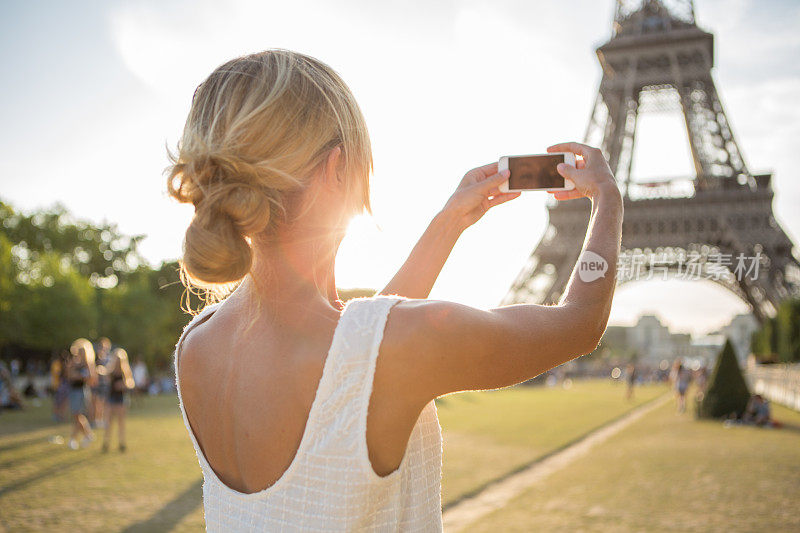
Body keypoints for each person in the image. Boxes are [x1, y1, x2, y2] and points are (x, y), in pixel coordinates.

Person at [168, 50, 622, 531]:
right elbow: (581, 322)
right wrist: (608, 199)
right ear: (336, 169)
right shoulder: (389, 348)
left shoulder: (197, 345)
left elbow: (358, 360)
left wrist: (448, 224)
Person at [102, 348, 136, 452]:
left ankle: (121, 442)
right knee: (109, 422)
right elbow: (105, 380)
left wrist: (123, 385)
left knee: (121, 422)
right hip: (111, 398)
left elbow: (131, 383)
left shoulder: (124, 371)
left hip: (120, 399)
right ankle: (106, 442)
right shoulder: (110, 371)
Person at [66, 339, 97, 449]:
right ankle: (87, 434)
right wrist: (78, 375)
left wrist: (78, 376)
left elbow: (91, 378)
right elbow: (69, 375)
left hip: (82, 390)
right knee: (77, 415)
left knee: (78, 414)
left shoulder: (88, 363)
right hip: (73, 390)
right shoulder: (74, 362)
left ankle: (74, 439)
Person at [91, 337, 112, 428]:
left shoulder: (110, 358)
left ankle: (103, 419)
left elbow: (110, 370)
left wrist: (103, 370)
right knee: (96, 402)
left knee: (103, 402)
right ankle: (96, 420)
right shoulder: (95, 357)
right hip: (96, 383)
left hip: (104, 383)